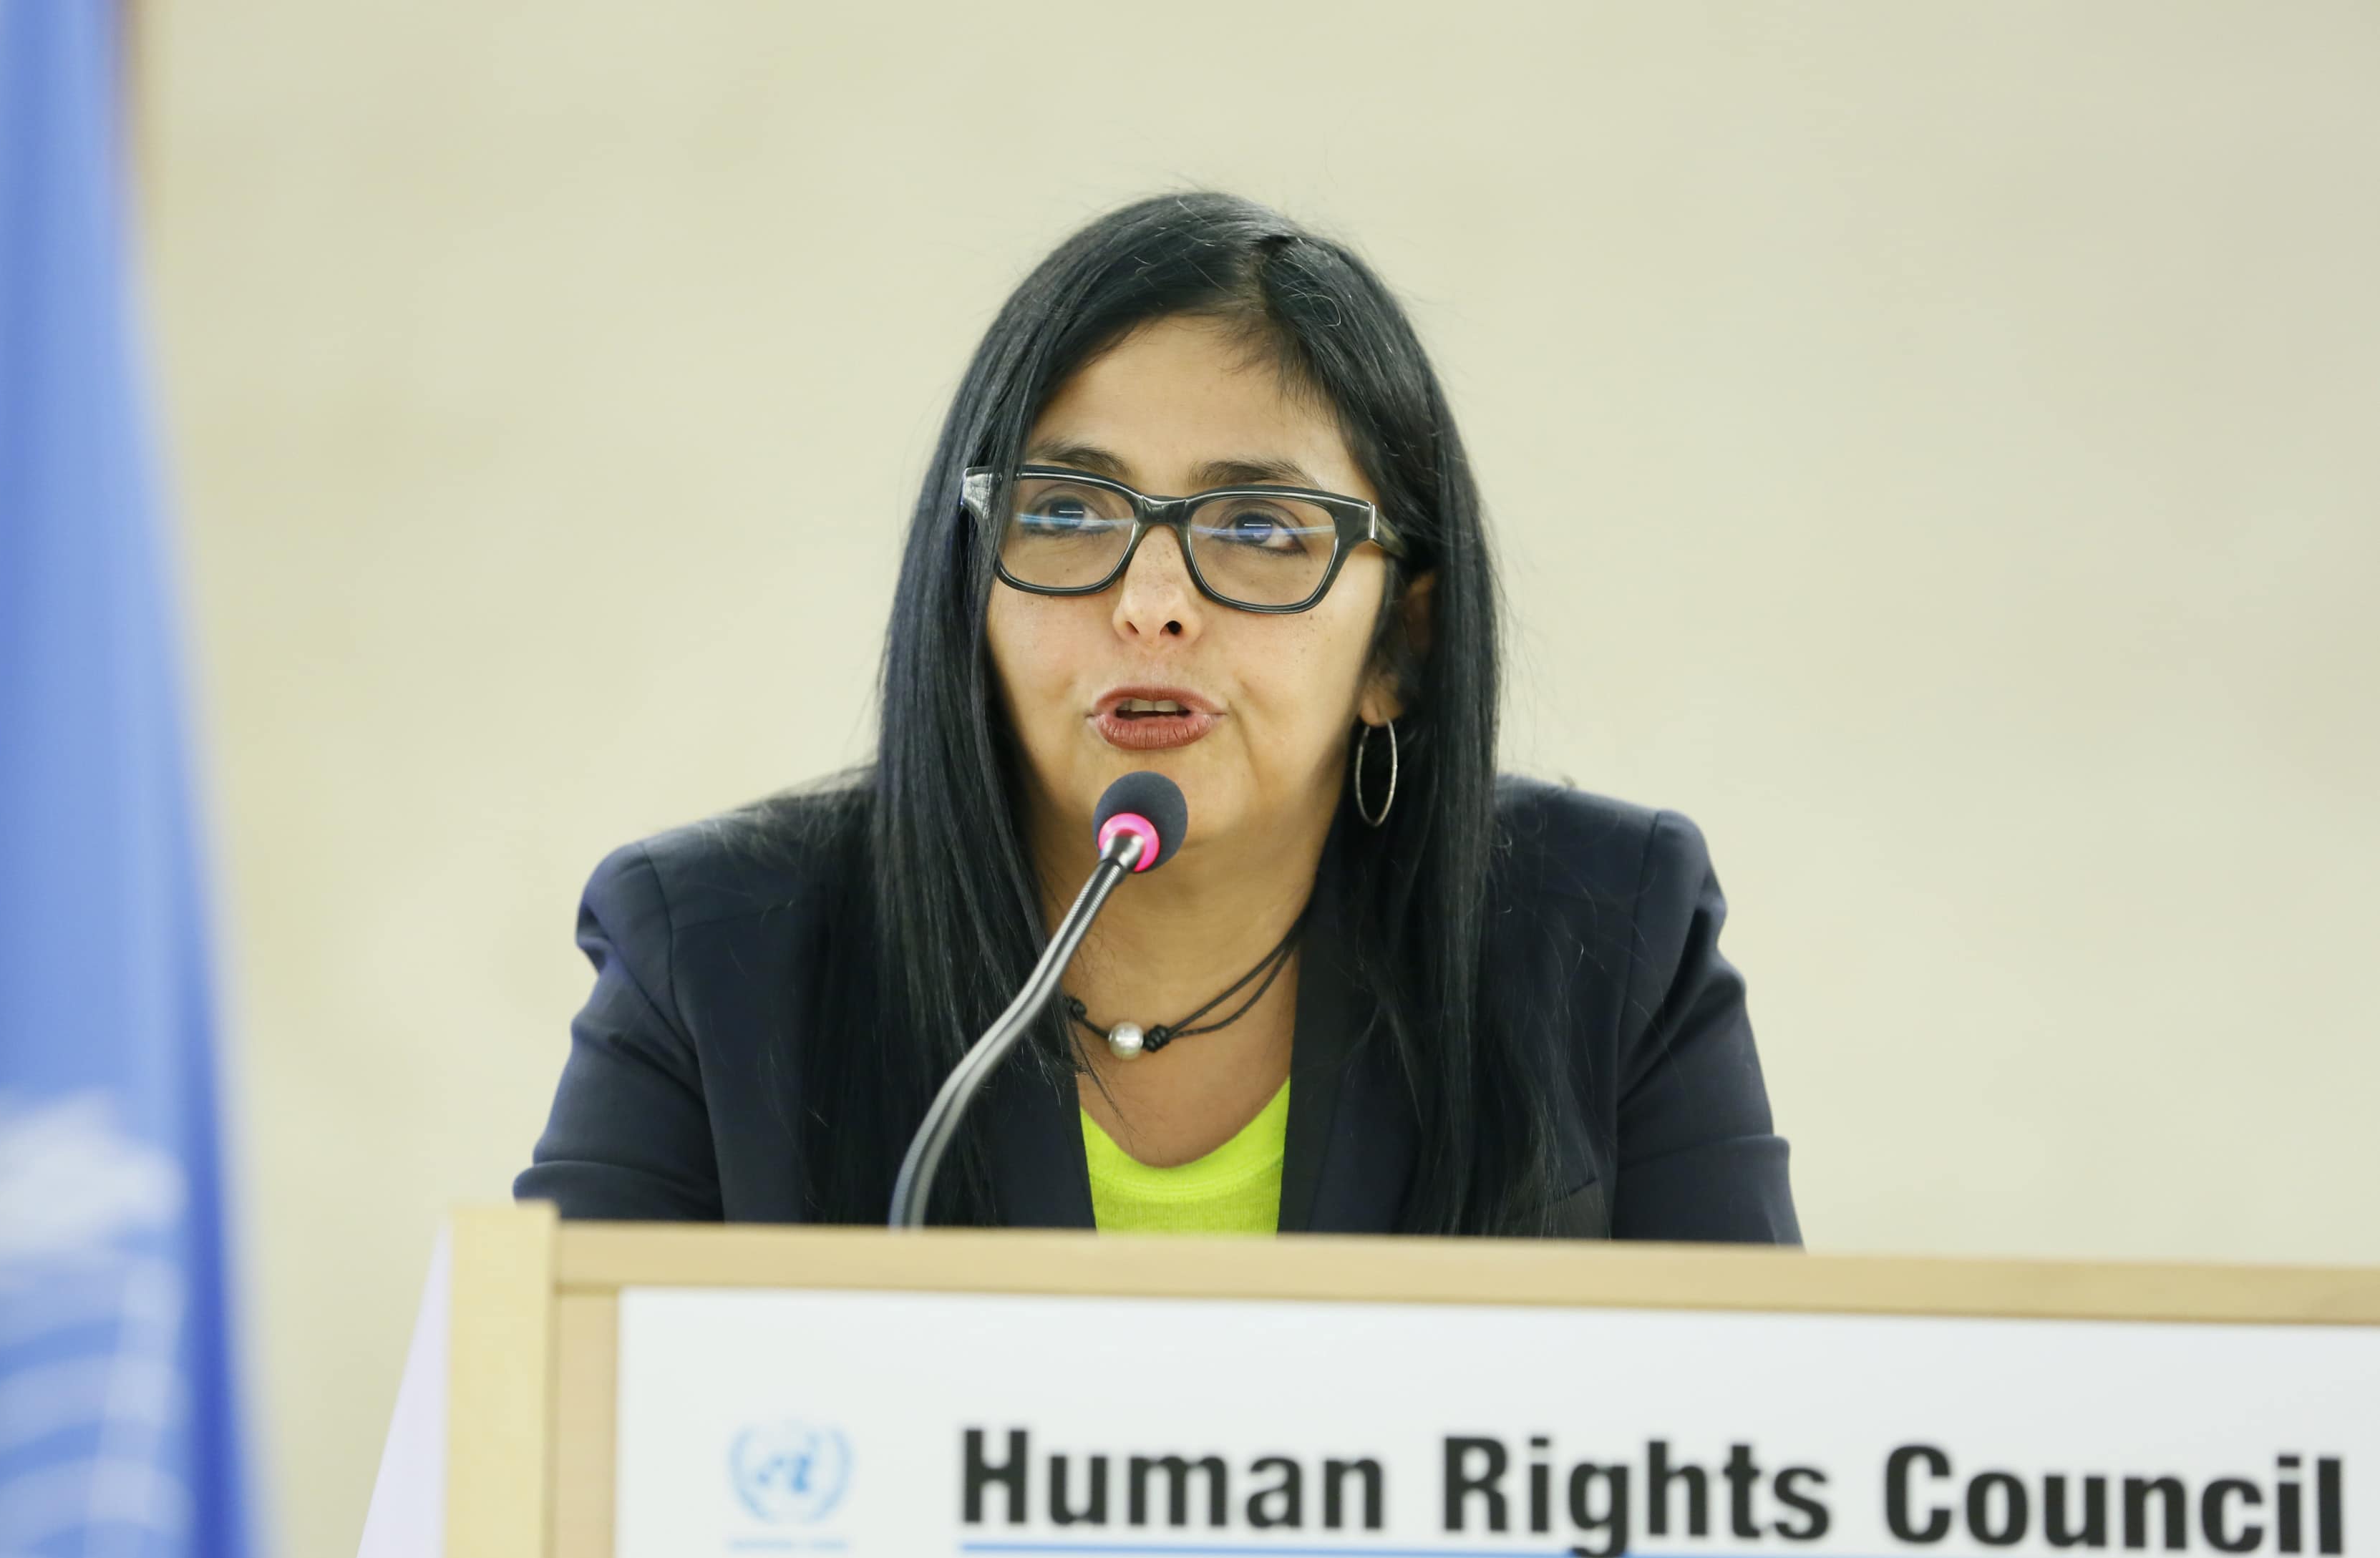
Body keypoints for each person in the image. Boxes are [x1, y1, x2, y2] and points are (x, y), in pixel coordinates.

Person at [513, 193, 1798, 1241]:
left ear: (1400, 646)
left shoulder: (1608, 940)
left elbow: (1763, 1467)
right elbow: (544, 1482)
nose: (1153, 604)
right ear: (968, 591)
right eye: (1069, 512)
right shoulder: (719, 963)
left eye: (1256, 528)